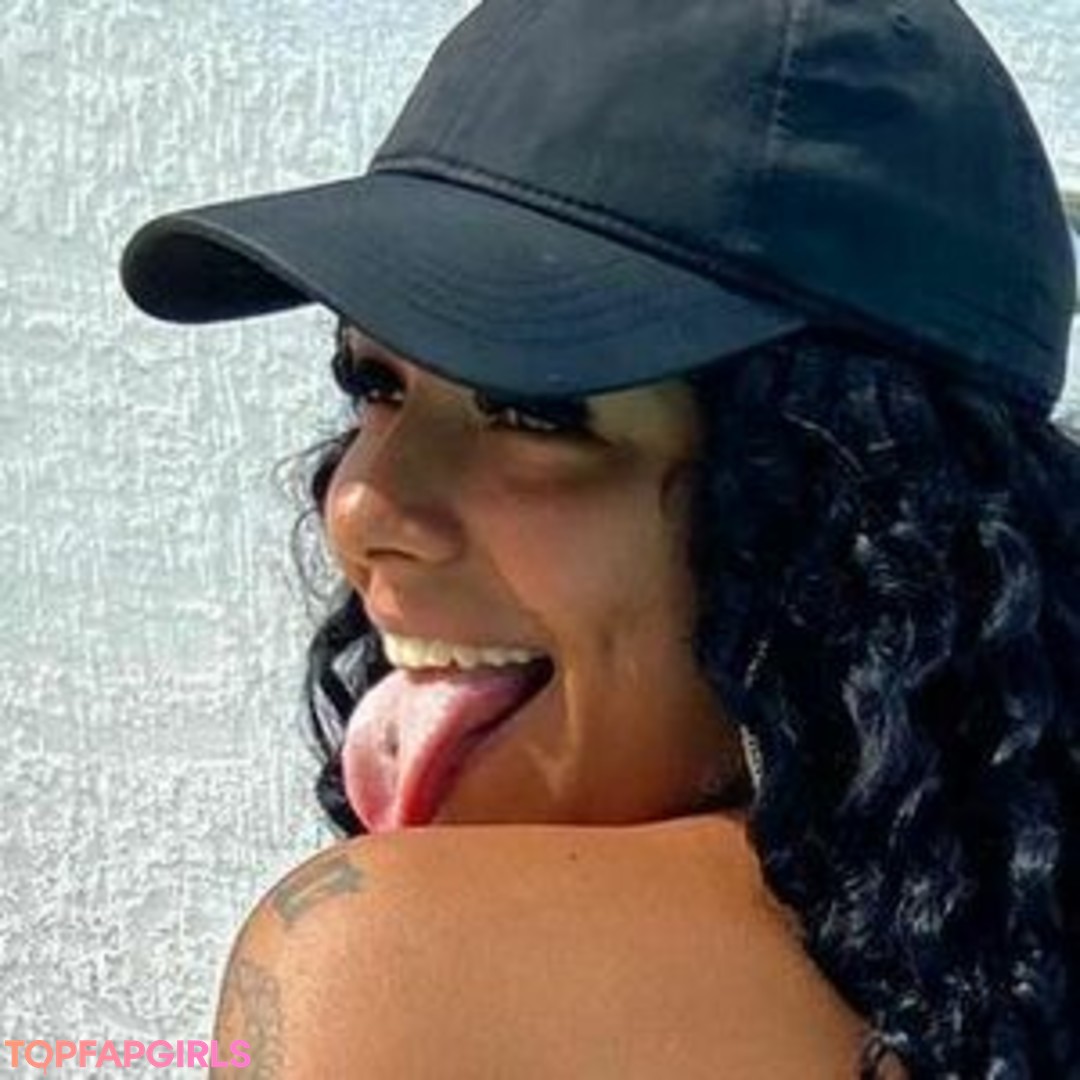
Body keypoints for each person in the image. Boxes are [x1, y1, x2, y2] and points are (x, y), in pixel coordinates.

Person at [121, 0, 1078, 1075]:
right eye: (375, 384)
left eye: (535, 412)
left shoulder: (396, 970)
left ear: (854, 523)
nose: (359, 505)